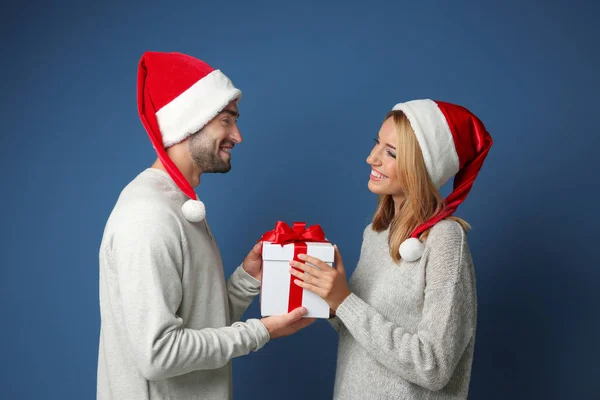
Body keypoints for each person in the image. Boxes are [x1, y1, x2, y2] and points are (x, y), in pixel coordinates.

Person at [97, 51, 314, 400]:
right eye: (226, 120)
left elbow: (198, 324)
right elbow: (159, 354)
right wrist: (261, 331)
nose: (238, 135)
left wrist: (246, 279)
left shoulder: (181, 206)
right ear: (189, 121)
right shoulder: (149, 216)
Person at [289, 99, 493, 399]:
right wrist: (332, 304)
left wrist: (345, 301)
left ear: (422, 166)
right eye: (377, 144)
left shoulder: (445, 239)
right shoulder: (375, 234)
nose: (372, 158)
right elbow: (364, 340)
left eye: (391, 153)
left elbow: (433, 366)